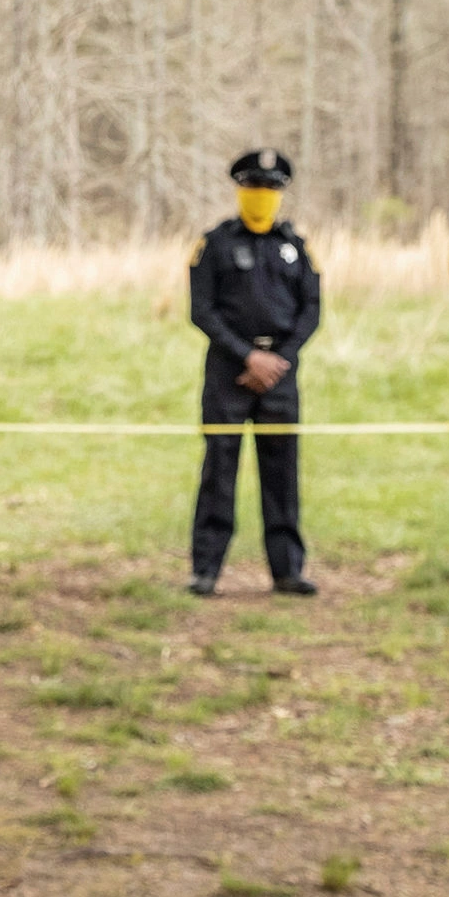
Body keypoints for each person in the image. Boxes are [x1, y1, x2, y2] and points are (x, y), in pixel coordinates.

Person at [185, 149, 321, 597]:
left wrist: (278, 360)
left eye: (271, 188)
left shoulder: (296, 246)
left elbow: (311, 309)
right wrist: (247, 356)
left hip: (280, 375)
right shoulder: (215, 244)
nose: (262, 194)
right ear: (240, 189)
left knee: (282, 473)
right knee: (219, 470)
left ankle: (287, 570)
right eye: (255, 187)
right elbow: (201, 309)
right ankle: (206, 570)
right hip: (229, 373)